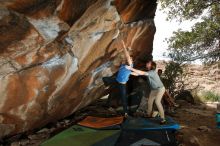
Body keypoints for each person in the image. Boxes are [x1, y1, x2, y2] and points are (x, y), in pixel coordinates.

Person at [104, 40, 137, 118]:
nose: (129, 59)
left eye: (131, 59)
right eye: (129, 59)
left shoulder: (130, 65)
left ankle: (125, 113)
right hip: (116, 80)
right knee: (104, 79)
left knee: (123, 99)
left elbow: (127, 56)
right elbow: (125, 59)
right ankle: (106, 85)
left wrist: (123, 45)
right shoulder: (124, 65)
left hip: (122, 84)